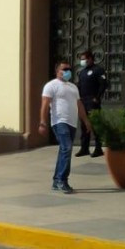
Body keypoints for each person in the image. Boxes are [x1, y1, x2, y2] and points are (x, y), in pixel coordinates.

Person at [39, 60, 94, 194]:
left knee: (64, 149)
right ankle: (62, 180)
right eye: (64, 69)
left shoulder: (73, 87)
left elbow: (79, 105)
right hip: (59, 122)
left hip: (72, 123)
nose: (67, 71)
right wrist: (42, 122)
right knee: (67, 147)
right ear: (57, 71)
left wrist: (86, 121)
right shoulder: (51, 85)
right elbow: (45, 104)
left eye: (69, 69)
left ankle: (56, 180)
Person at [75, 50, 107, 158]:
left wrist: (97, 97)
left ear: (90, 59)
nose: (82, 61)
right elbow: (79, 86)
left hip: (92, 100)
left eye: (84, 59)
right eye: (81, 59)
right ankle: (84, 148)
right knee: (84, 125)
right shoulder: (82, 72)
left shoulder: (98, 70)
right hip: (83, 100)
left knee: (95, 124)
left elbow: (103, 84)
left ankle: (98, 148)